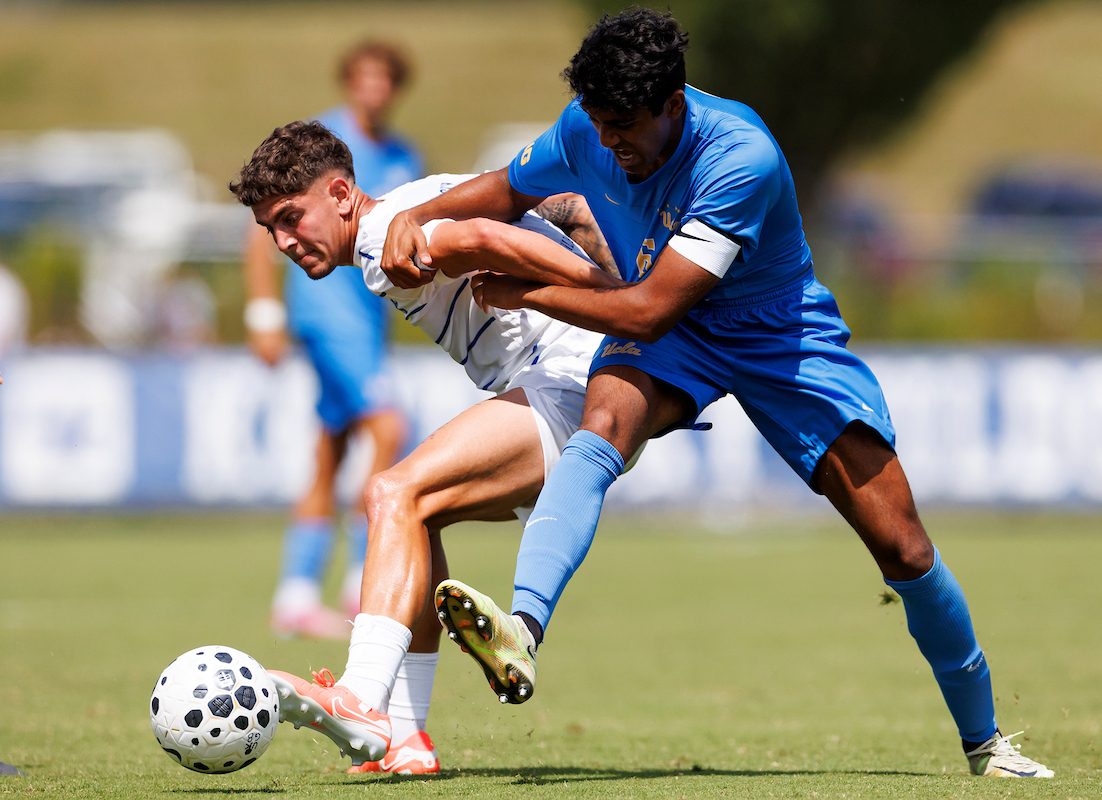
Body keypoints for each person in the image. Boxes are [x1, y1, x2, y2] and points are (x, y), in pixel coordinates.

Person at [375, 8, 1055, 779]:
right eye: (597, 124)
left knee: (903, 547)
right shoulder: (584, 127)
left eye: (624, 125)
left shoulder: (741, 156)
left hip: (777, 335)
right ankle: (521, 629)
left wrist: (528, 293)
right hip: (679, 331)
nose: (608, 143)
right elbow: (502, 190)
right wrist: (420, 218)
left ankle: (986, 742)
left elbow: (648, 308)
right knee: (603, 424)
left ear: (674, 104)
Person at [228, 120, 620, 772]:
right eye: (273, 229)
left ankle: (358, 697)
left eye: (293, 217)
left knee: (391, 490)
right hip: (578, 383)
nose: (285, 241)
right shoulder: (415, 198)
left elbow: (484, 237)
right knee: (416, 515)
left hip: (572, 384)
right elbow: (557, 204)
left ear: (342, 194)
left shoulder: (386, 237)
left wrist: (619, 296)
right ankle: (406, 737)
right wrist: (611, 271)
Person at [242, 40, 421, 639]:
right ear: (349, 83)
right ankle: (360, 584)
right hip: (325, 314)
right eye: (363, 78)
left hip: (367, 319)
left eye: (385, 80)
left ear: (396, 88)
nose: (374, 90)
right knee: (390, 430)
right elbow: (264, 226)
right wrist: (265, 312)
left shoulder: (401, 154)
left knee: (332, 449)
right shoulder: (322, 148)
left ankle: (294, 595)